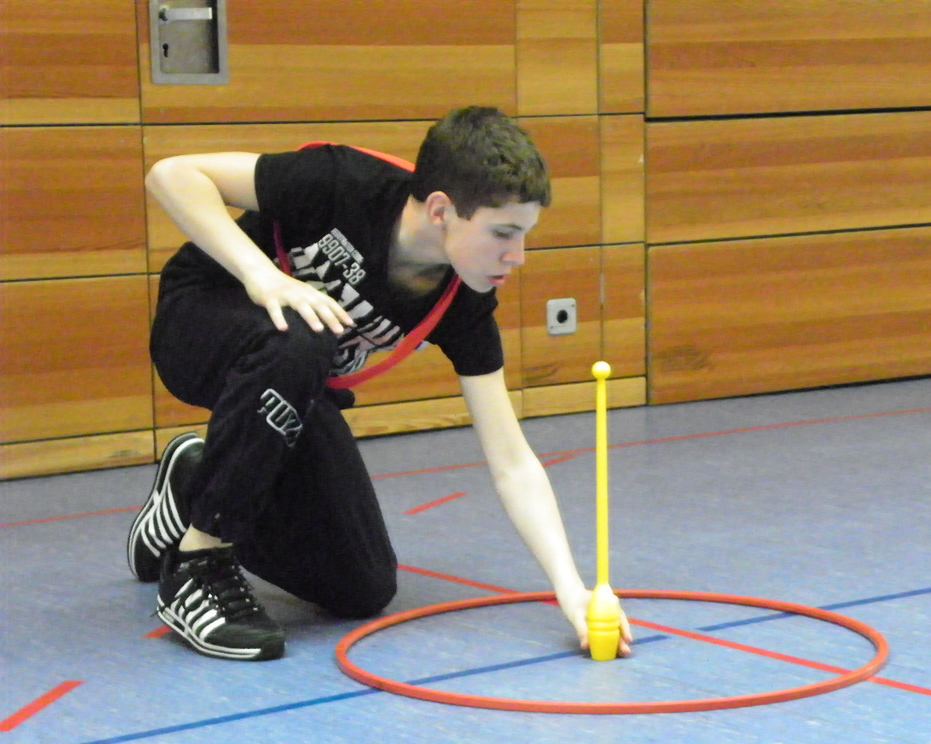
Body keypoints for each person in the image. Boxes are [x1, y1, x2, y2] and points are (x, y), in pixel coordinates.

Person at [128, 106, 632, 661]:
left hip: (291, 386)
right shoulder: (342, 182)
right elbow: (171, 175)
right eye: (502, 234)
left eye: (525, 236)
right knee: (304, 336)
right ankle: (199, 564)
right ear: (440, 210)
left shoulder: (463, 302)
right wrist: (264, 278)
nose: (518, 257)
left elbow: (512, 462)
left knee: (361, 587)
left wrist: (570, 590)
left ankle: (193, 484)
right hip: (197, 327)